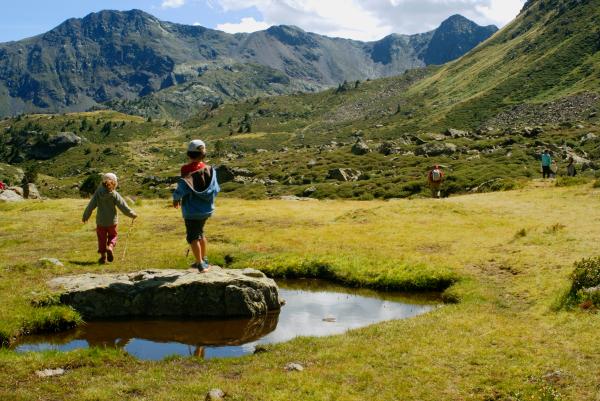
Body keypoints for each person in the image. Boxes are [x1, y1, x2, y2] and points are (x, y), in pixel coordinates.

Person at [173, 140, 220, 272]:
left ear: (189, 154)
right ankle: (204, 259)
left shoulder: (186, 170)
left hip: (191, 211)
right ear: (203, 154)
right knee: (200, 233)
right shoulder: (210, 170)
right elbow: (216, 189)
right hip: (206, 210)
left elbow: (182, 188)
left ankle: (200, 264)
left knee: (193, 237)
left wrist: (176, 199)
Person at [82, 173, 137, 264]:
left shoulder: (98, 193)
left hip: (101, 222)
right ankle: (110, 247)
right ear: (114, 183)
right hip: (112, 222)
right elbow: (123, 206)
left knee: (101, 239)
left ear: (102, 182)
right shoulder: (114, 194)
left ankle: (103, 257)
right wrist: (132, 214)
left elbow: (91, 205)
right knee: (113, 236)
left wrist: (85, 216)